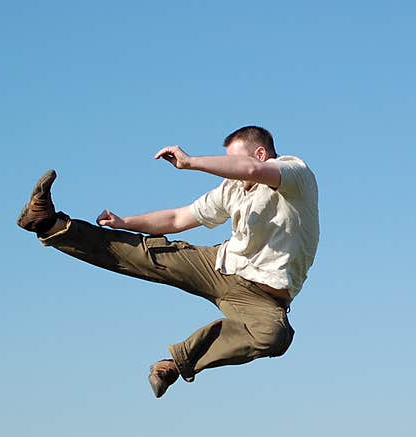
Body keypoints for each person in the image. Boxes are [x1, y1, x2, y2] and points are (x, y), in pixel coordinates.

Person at [16, 125, 319, 398]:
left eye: (231, 162)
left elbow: (250, 169)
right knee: (148, 256)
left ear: (261, 153)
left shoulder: (294, 174)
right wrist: (125, 222)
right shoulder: (232, 189)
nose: (229, 173)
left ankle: (175, 364)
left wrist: (191, 162)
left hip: (263, 297)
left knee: (275, 336)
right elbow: (177, 218)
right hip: (222, 267)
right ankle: (50, 224)